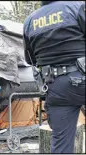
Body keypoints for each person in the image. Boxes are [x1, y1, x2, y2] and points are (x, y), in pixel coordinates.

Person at [23, 1, 85, 153]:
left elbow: (30, 59)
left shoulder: (30, 21)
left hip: (55, 86)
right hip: (82, 78)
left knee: (61, 146)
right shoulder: (78, 7)